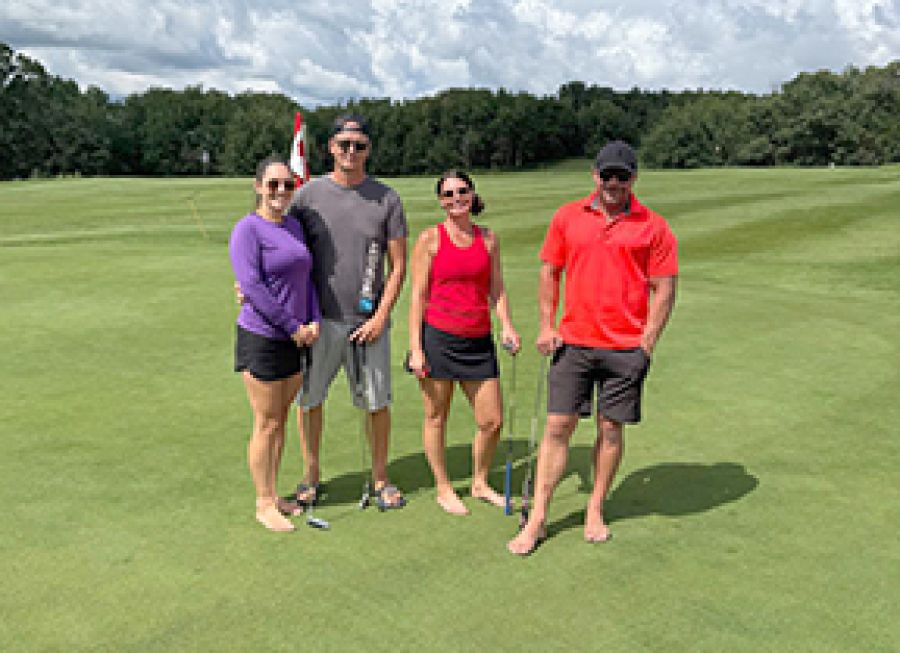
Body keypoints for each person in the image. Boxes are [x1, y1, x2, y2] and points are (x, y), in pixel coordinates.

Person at [507, 140, 678, 555]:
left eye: (622, 176)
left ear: (634, 178)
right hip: (574, 342)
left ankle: (595, 509)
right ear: (594, 175)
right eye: (607, 175)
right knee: (557, 427)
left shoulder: (654, 227)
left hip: (625, 347)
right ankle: (538, 518)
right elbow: (550, 272)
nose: (613, 183)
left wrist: (647, 342)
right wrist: (546, 325)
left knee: (610, 429)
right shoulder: (568, 216)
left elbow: (665, 288)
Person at [288, 114, 409, 510]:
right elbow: (283, 251)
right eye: (344, 144)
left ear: (368, 150)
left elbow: (398, 266)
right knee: (309, 401)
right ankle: (310, 476)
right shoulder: (308, 197)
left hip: (367, 323)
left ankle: (381, 478)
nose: (351, 152)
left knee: (376, 403)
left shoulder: (386, 199)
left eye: (359, 145)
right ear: (331, 148)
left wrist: (381, 317)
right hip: (318, 321)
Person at [407, 170, 521, 515]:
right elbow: (418, 297)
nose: (456, 198)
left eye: (462, 191)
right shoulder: (430, 239)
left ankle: (480, 482)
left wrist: (507, 325)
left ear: (472, 194)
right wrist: (416, 348)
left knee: (492, 421)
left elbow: (496, 288)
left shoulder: (489, 239)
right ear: (440, 201)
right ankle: (443, 487)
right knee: (436, 417)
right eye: (448, 194)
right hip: (439, 338)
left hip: (478, 340)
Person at [229, 156, 321, 532]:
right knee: (266, 422)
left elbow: (306, 278)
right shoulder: (247, 230)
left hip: (295, 337)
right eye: (273, 184)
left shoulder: (294, 226)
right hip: (263, 337)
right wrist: (292, 326)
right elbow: (252, 286)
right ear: (258, 187)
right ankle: (263, 502)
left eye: (287, 184)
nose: (281, 191)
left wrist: (313, 319)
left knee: (280, 420)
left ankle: (273, 493)